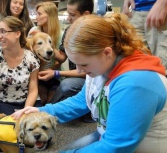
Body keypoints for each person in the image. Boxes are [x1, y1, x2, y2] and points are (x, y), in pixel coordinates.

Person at [12, 13, 167, 153]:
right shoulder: (102, 65)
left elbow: (116, 147)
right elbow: (83, 101)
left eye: (84, 65)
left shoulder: (135, 83)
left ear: (107, 52)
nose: (79, 71)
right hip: (108, 136)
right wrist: (41, 111)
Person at [123, 0, 167, 74]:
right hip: (137, 10)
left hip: (162, 11)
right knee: (137, 69)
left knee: (162, 69)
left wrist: (163, 2)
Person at [29, 1, 63, 104]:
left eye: (40, 14)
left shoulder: (60, 34)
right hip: (37, 74)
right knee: (42, 100)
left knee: (51, 101)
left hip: (54, 74)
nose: (36, 17)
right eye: (36, 14)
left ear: (50, 16)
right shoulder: (34, 30)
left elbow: (61, 59)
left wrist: (50, 71)